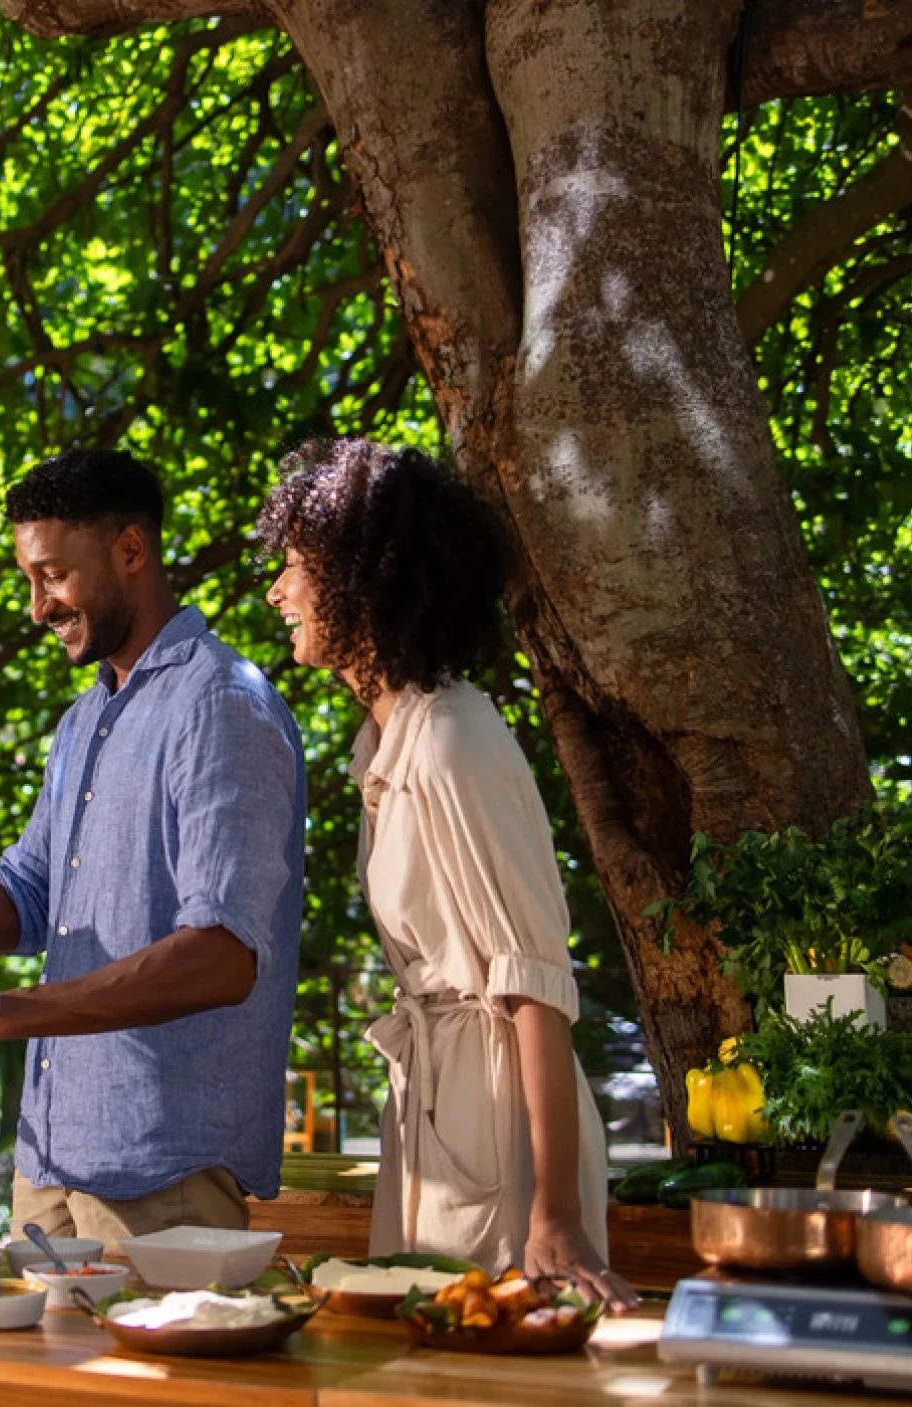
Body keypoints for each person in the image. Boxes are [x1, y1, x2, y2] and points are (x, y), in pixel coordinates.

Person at [0, 449, 305, 1249]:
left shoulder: (221, 705)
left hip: (165, 1175)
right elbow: (29, 892)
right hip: (48, 1162)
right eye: (27, 578)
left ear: (130, 550)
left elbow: (223, 956)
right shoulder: (84, 720)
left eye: (52, 575)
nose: (37, 606)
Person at [258, 439, 636, 1309]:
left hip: (502, 1125)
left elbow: (537, 981)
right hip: (432, 1110)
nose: (278, 592)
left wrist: (553, 1212)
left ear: (363, 576)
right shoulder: (384, 744)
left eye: (294, 568)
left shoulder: (454, 736)